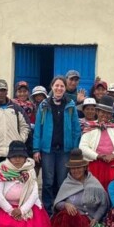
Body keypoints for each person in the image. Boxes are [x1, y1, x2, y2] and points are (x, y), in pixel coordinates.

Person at [0, 141, 50, 227]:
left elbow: (34, 194)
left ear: (25, 157)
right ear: (9, 157)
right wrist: (11, 210)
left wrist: (22, 210)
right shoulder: (1, 170)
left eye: (21, 156)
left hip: (26, 206)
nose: (17, 159)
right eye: (14, 156)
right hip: (5, 207)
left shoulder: (30, 171)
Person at [33, 76, 82, 214]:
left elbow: (76, 129)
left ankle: (60, 211)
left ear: (65, 88)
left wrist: (74, 149)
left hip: (65, 151)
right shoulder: (44, 105)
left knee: (62, 181)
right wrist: (36, 149)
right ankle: (47, 211)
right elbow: (38, 128)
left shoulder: (70, 105)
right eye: (57, 86)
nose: (59, 88)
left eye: (62, 86)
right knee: (47, 182)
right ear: (52, 87)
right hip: (48, 150)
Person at [48, 149, 109, 227]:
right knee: (65, 214)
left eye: (78, 167)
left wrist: (96, 218)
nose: (76, 171)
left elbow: (103, 204)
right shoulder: (67, 183)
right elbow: (57, 203)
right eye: (73, 168)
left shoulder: (94, 183)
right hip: (69, 219)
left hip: (88, 221)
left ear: (85, 167)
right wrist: (66, 204)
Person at [79, 96, 114, 191]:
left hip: (113, 163)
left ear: (111, 115)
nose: (105, 115)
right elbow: (82, 147)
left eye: (108, 113)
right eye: (102, 112)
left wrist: (113, 155)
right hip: (95, 163)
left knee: (112, 188)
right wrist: (98, 156)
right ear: (97, 112)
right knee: (95, 188)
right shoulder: (90, 127)